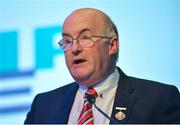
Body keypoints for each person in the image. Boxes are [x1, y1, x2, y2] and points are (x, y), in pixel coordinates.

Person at [24, 8, 180, 124]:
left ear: (112, 45)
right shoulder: (43, 106)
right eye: (67, 41)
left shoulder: (159, 100)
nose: (75, 49)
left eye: (86, 38)